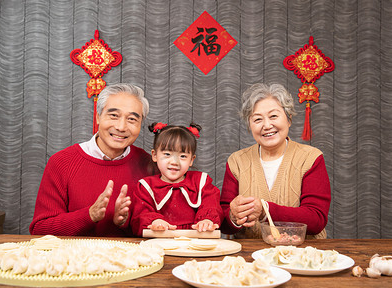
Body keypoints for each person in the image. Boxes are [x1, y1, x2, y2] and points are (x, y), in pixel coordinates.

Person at [29, 83, 156, 237]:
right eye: (114, 115)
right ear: (98, 117)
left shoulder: (151, 166)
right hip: (74, 259)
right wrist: (89, 215)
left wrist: (125, 223)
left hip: (131, 259)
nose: (121, 127)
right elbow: (40, 230)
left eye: (131, 119)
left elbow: (166, 227)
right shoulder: (62, 162)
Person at [220, 83, 331, 239]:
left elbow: (316, 219)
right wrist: (233, 216)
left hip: (302, 257)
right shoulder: (237, 161)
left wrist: (265, 211)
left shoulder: (311, 158)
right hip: (250, 259)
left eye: (273, 116)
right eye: (257, 119)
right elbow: (224, 224)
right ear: (250, 126)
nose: (267, 125)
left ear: (289, 119)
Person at [130, 122, 223, 236]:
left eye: (183, 156)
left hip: (195, 242)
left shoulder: (201, 182)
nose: (174, 162)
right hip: (160, 242)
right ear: (154, 155)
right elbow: (141, 214)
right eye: (167, 154)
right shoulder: (146, 187)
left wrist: (207, 220)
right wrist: (154, 221)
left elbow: (211, 204)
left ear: (191, 160)